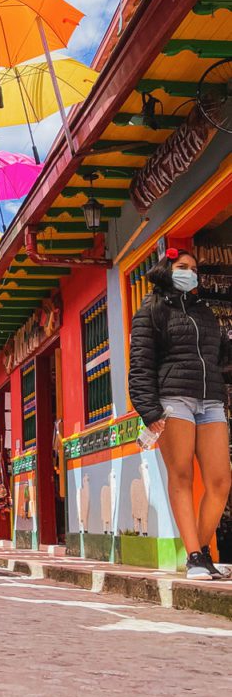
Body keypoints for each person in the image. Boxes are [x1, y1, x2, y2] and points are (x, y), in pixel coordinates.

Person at [129, 247, 232, 580]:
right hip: (174, 401)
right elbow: (141, 365)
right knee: (182, 476)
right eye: (183, 266)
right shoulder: (151, 310)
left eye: (194, 268)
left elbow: (218, 354)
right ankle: (194, 556)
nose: (191, 272)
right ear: (167, 270)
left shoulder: (204, 311)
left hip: (211, 401)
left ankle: (199, 554)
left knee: (220, 480)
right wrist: (149, 409)